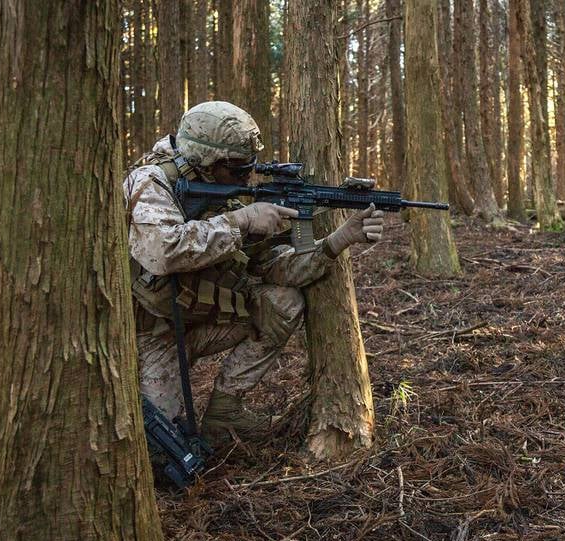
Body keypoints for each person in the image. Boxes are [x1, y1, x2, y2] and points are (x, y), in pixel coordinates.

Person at [123, 101, 384, 448]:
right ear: (206, 160)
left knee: (282, 303)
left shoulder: (229, 193)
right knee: (163, 449)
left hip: (200, 322)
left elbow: (275, 268)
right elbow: (162, 252)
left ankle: (224, 413)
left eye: (250, 167)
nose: (247, 177)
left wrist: (338, 240)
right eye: (238, 169)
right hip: (153, 334)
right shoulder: (151, 182)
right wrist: (242, 221)